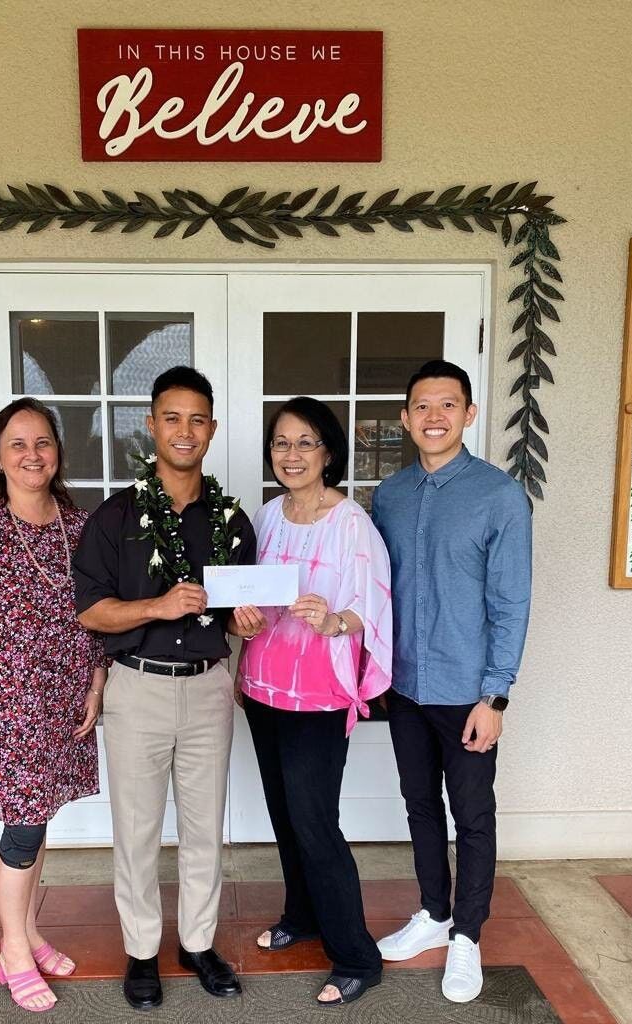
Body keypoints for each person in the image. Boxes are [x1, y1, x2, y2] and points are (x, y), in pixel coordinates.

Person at [73, 366, 256, 1011]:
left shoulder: (232, 521)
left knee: (207, 828)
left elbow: (237, 609)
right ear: (151, 426)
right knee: (138, 829)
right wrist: (157, 607)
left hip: (208, 688)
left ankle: (199, 943)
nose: (185, 430)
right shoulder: (114, 516)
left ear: (212, 429)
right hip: (137, 689)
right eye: (171, 418)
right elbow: (91, 610)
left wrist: (247, 620)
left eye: (197, 419)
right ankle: (142, 950)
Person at [0, 397, 106, 1014]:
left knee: (38, 819)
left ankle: (30, 932)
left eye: (43, 443)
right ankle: (11, 949)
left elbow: (96, 615)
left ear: (58, 454)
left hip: (64, 699)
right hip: (3, 704)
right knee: (24, 827)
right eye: (17, 444)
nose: (32, 455)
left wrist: (95, 683)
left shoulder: (79, 526)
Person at [371, 359, 532, 1004]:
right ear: (406, 418)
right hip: (406, 686)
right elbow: (375, 588)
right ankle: (433, 916)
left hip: (469, 691)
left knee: (473, 815)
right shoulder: (390, 494)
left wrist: (495, 696)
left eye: (447, 405)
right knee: (418, 807)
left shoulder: (499, 496)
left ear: (468, 414)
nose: (433, 417)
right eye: (421, 406)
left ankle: (467, 936)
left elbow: (510, 604)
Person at [234, 397, 392, 1007]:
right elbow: (247, 592)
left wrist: (333, 621)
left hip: (319, 696)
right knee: (284, 815)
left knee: (315, 822)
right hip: (264, 688)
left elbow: (373, 605)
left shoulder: (351, 522)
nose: (292, 454)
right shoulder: (268, 514)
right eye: (281, 443)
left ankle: (356, 954)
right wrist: (241, 618)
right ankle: (302, 915)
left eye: (305, 443)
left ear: (328, 451)